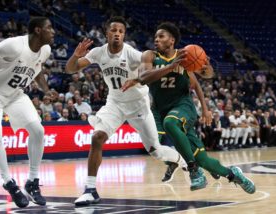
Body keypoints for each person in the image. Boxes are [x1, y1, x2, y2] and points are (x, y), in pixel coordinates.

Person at [122, 22, 255, 194]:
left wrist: (206, 103)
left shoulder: (185, 56)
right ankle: (233, 174)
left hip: (183, 106)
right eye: (155, 36)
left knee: (170, 124)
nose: (156, 39)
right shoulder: (150, 55)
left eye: (161, 36)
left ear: (172, 40)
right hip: (161, 109)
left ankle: (193, 169)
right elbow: (144, 77)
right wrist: (170, 66)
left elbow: (203, 79)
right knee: (204, 160)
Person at [65, 16, 186, 206]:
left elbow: (148, 66)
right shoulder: (98, 52)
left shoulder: (132, 54)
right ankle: (90, 190)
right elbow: (70, 69)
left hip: (138, 104)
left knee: (156, 152)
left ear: (124, 35)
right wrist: (75, 55)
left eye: (121, 32)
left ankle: (178, 159)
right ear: (107, 33)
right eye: (113, 30)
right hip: (115, 103)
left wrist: (140, 76)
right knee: (97, 138)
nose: (117, 34)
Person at [0, 17, 55, 208]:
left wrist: (46, 90)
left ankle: (32, 182)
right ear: (38, 30)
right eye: (49, 28)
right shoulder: (13, 46)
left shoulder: (45, 50)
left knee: (38, 131)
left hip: (15, 95)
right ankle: (9, 183)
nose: (53, 31)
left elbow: (36, 70)